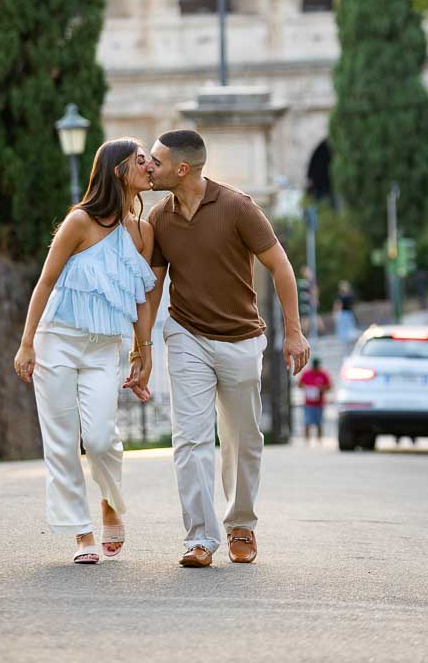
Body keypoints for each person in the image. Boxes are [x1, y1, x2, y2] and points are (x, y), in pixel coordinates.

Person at [126, 130, 310, 568]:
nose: (148, 166)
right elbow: (152, 290)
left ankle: (241, 524)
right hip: (187, 337)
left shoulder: (238, 208)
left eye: (156, 160)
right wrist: (143, 346)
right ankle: (200, 538)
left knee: (243, 440)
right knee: (189, 440)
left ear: (182, 169)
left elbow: (280, 266)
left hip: (241, 339)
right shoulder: (160, 218)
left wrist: (294, 330)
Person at [14, 139, 156, 564]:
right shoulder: (79, 222)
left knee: (98, 438)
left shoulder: (143, 232)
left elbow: (141, 299)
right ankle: (81, 534)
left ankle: (110, 501)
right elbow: (45, 282)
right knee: (61, 443)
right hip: (56, 339)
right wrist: (26, 344)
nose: (150, 166)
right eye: (141, 160)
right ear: (117, 170)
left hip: (104, 347)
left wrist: (142, 351)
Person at [298, 356, 332, 442]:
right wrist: (307, 388)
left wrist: (321, 389)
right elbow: (299, 384)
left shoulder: (323, 374)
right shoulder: (306, 374)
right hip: (308, 403)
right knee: (307, 422)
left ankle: (319, 440)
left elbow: (329, 386)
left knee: (319, 422)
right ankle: (307, 440)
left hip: (319, 403)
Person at [333, 279, 358, 350]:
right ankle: (347, 345)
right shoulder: (349, 295)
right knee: (348, 330)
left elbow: (338, 305)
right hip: (348, 313)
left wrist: (336, 313)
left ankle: (347, 345)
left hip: (345, 314)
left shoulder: (342, 296)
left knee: (346, 330)